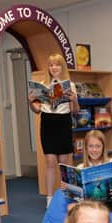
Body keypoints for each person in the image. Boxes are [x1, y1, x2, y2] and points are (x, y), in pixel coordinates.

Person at [29, 53, 79, 208]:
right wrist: (30, 102)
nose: (54, 68)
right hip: (47, 122)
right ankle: (49, 199)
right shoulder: (43, 84)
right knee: (50, 162)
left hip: (63, 122)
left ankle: (69, 197)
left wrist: (74, 100)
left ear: (62, 67)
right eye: (51, 65)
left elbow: (75, 112)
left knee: (64, 163)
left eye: (57, 64)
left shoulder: (70, 85)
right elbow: (37, 110)